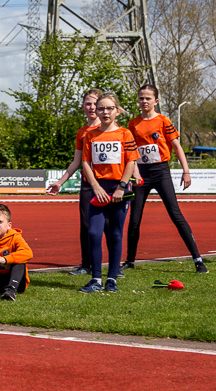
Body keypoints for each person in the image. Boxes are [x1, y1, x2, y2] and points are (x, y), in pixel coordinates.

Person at [122, 84, 208, 274]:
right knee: (134, 219)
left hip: (161, 171)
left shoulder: (163, 120)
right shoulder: (133, 123)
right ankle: (129, 260)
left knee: (175, 214)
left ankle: (198, 259)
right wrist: (134, 173)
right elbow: (131, 152)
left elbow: (176, 146)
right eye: (141, 98)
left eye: (148, 98)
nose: (144, 101)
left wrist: (186, 171)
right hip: (141, 174)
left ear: (156, 101)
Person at [79, 93, 140, 293]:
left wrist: (122, 187)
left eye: (109, 108)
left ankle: (112, 278)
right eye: (101, 108)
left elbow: (131, 161)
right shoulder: (90, 135)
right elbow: (85, 162)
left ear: (117, 111)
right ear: (96, 111)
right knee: (94, 233)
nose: (105, 112)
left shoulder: (125, 134)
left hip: (119, 190)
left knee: (115, 234)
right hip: (99, 188)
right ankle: (96, 278)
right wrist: (95, 186)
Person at [46, 89, 102, 276]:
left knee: (109, 226)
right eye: (88, 103)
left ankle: (114, 266)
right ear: (83, 107)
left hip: (108, 183)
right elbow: (76, 161)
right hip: (87, 183)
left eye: (95, 103)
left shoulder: (110, 128)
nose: (92, 107)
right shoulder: (82, 132)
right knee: (86, 225)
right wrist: (60, 183)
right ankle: (86, 264)